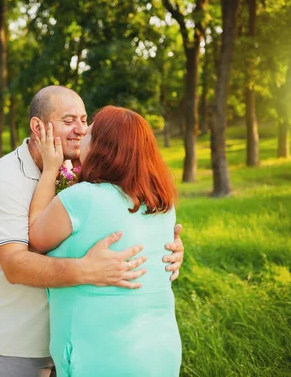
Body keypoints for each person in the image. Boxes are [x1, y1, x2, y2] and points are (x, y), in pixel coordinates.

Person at [0, 86, 184, 377]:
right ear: (38, 127)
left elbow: (127, 224)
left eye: (85, 120)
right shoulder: (5, 180)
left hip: (83, 342)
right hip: (25, 343)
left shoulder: (86, 176)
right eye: (69, 121)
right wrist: (87, 271)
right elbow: (15, 265)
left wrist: (168, 250)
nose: (80, 129)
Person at [28, 106, 181, 376]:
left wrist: (51, 170)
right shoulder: (163, 205)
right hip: (162, 352)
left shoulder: (82, 198)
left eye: (90, 132)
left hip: (102, 357)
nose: (83, 134)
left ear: (103, 147)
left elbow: (34, 239)